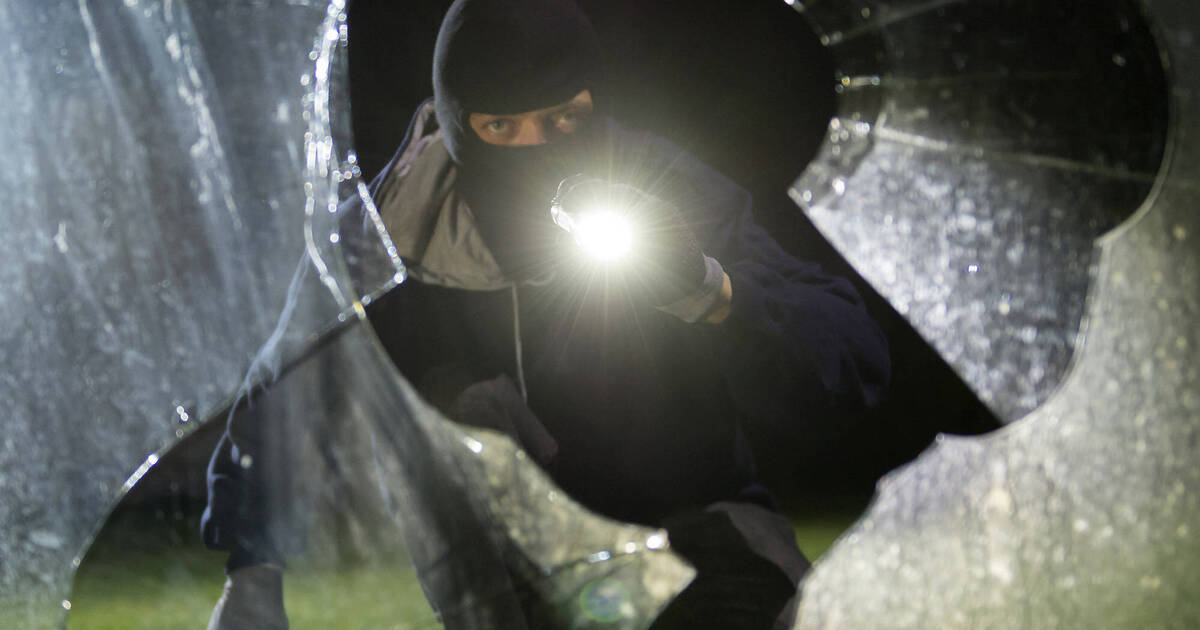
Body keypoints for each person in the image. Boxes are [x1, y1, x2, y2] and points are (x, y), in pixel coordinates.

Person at [203, 0, 890, 628]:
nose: (536, 146)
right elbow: (287, 390)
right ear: (454, 118)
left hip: (698, 547)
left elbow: (848, 357)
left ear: (596, 100)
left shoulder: (669, 191)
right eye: (501, 125)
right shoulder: (384, 241)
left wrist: (710, 291)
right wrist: (253, 570)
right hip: (501, 588)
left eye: (564, 118)